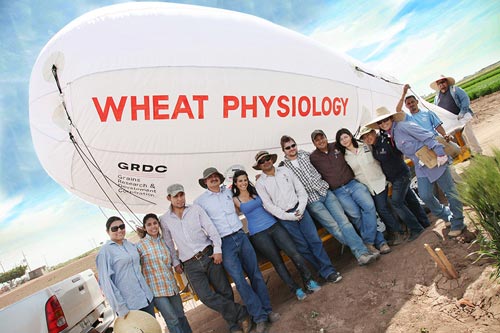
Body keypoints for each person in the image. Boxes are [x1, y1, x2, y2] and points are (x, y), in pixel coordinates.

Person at [195, 168, 279, 333]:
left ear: (220, 178)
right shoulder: (200, 202)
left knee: (255, 274)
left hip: (240, 236)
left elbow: (246, 192)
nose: (213, 179)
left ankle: (268, 311)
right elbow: (196, 223)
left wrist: (259, 178)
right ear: (205, 182)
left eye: (215, 177)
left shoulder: (228, 192)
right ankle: (259, 317)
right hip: (224, 243)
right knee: (240, 282)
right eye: (209, 178)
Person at [159, 184, 251, 333]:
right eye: (175, 196)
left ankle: (234, 325)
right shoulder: (165, 219)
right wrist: (175, 262)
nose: (180, 199)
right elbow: (169, 243)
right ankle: (241, 312)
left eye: (181, 195)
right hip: (189, 263)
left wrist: (217, 250)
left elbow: (211, 229)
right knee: (205, 297)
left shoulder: (195, 209)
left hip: (208, 254)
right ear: (169, 198)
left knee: (224, 290)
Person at [365, 107, 465, 237]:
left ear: (391, 118)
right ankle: (446, 215)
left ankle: (458, 222)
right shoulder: (392, 134)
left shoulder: (404, 126)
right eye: (380, 122)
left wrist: (440, 153)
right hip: (421, 166)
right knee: (425, 195)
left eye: (386, 120)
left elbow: (427, 136)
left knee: (449, 191)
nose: (384, 124)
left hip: (434, 159)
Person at [279, 135, 378, 265]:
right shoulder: (283, 168)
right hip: (312, 200)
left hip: (326, 192)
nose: (291, 149)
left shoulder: (307, 155)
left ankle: (361, 252)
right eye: (288, 148)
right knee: (334, 228)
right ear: (283, 150)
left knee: (345, 222)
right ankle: (360, 250)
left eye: (293, 145)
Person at [231, 169, 321, 301]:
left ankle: (309, 281)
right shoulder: (234, 200)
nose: (243, 183)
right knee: (277, 262)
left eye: (245, 180)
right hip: (258, 233)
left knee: (294, 252)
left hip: (274, 225)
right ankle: (295, 289)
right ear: (235, 183)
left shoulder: (256, 191)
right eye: (240, 181)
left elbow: (269, 196)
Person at [254, 151, 343, 283]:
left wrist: (301, 208)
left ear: (271, 159)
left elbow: (300, 189)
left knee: (315, 241)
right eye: (262, 161)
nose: (266, 162)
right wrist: (288, 216)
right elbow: (268, 205)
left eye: (267, 158)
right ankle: (323, 271)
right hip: (286, 218)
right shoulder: (260, 184)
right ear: (259, 166)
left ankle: (328, 270)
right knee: (303, 247)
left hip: (300, 210)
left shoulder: (285, 171)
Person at [309, 129, 390, 255]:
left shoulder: (336, 146)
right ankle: (380, 242)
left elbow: (353, 146)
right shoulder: (313, 158)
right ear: (314, 143)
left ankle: (368, 242)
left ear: (326, 137)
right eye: (317, 140)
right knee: (356, 216)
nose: (320, 141)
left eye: (322, 137)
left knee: (369, 207)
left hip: (353, 183)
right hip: (338, 191)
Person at [358, 125, 430, 232]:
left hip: (401, 175)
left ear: (374, 132)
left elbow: (399, 152)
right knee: (410, 199)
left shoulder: (385, 141)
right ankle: (424, 222)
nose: (367, 138)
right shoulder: (374, 147)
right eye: (364, 137)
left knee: (397, 202)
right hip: (394, 177)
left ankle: (416, 228)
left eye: (369, 135)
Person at [136, 213, 192, 333]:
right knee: (172, 320)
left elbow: (173, 258)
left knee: (181, 315)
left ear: (159, 224)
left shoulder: (164, 241)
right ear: (144, 228)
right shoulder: (140, 246)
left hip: (171, 286)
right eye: (149, 225)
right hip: (156, 291)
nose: (153, 227)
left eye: (155, 223)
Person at [96, 217, 155, 318]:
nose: (119, 230)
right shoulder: (105, 252)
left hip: (146, 298)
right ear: (107, 231)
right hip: (129, 305)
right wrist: (120, 308)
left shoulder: (130, 245)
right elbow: (107, 284)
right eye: (114, 228)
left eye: (122, 227)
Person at [430, 75, 483, 155]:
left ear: (446, 82)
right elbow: (437, 110)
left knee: (469, 134)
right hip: (451, 121)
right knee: (456, 139)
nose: (442, 84)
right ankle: (467, 153)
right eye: (439, 83)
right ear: (437, 85)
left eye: (443, 82)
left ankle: (478, 151)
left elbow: (465, 100)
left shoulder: (455, 90)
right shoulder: (437, 97)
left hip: (463, 116)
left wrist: (462, 112)